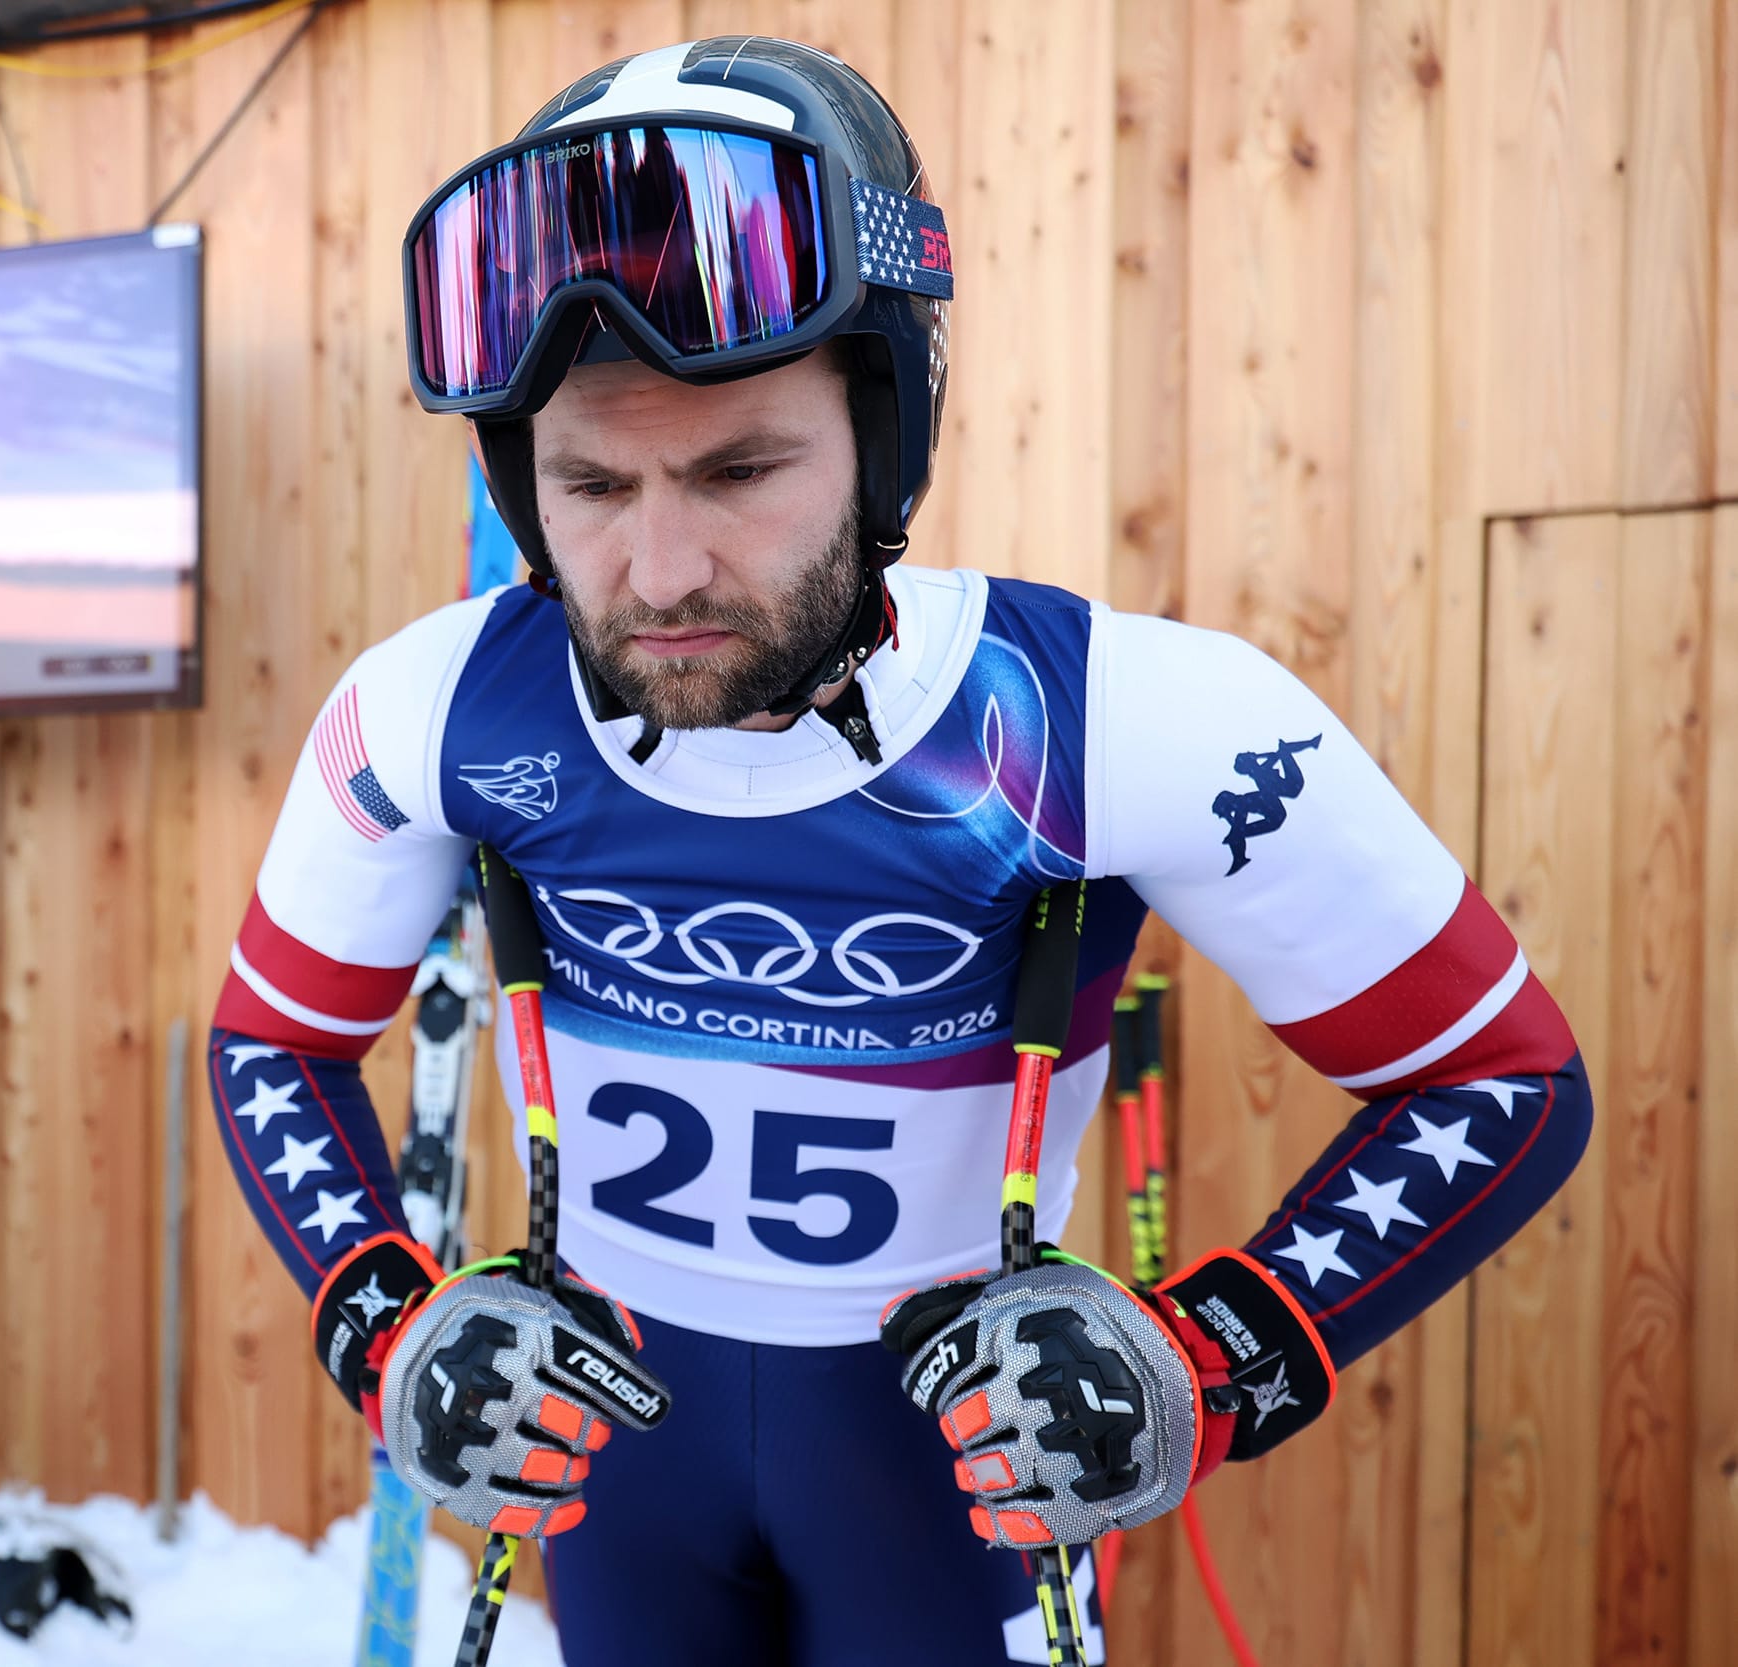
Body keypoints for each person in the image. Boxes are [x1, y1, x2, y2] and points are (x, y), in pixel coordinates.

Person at [206, 37, 1588, 1665]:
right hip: (621, 1494)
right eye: (586, 482)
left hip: (939, 1502)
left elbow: (1502, 1081)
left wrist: (1208, 1367)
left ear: (890, 433)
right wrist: (388, 1323)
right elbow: (270, 1046)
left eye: (741, 470)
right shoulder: (431, 706)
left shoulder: (1119, 715)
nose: (658, 567)